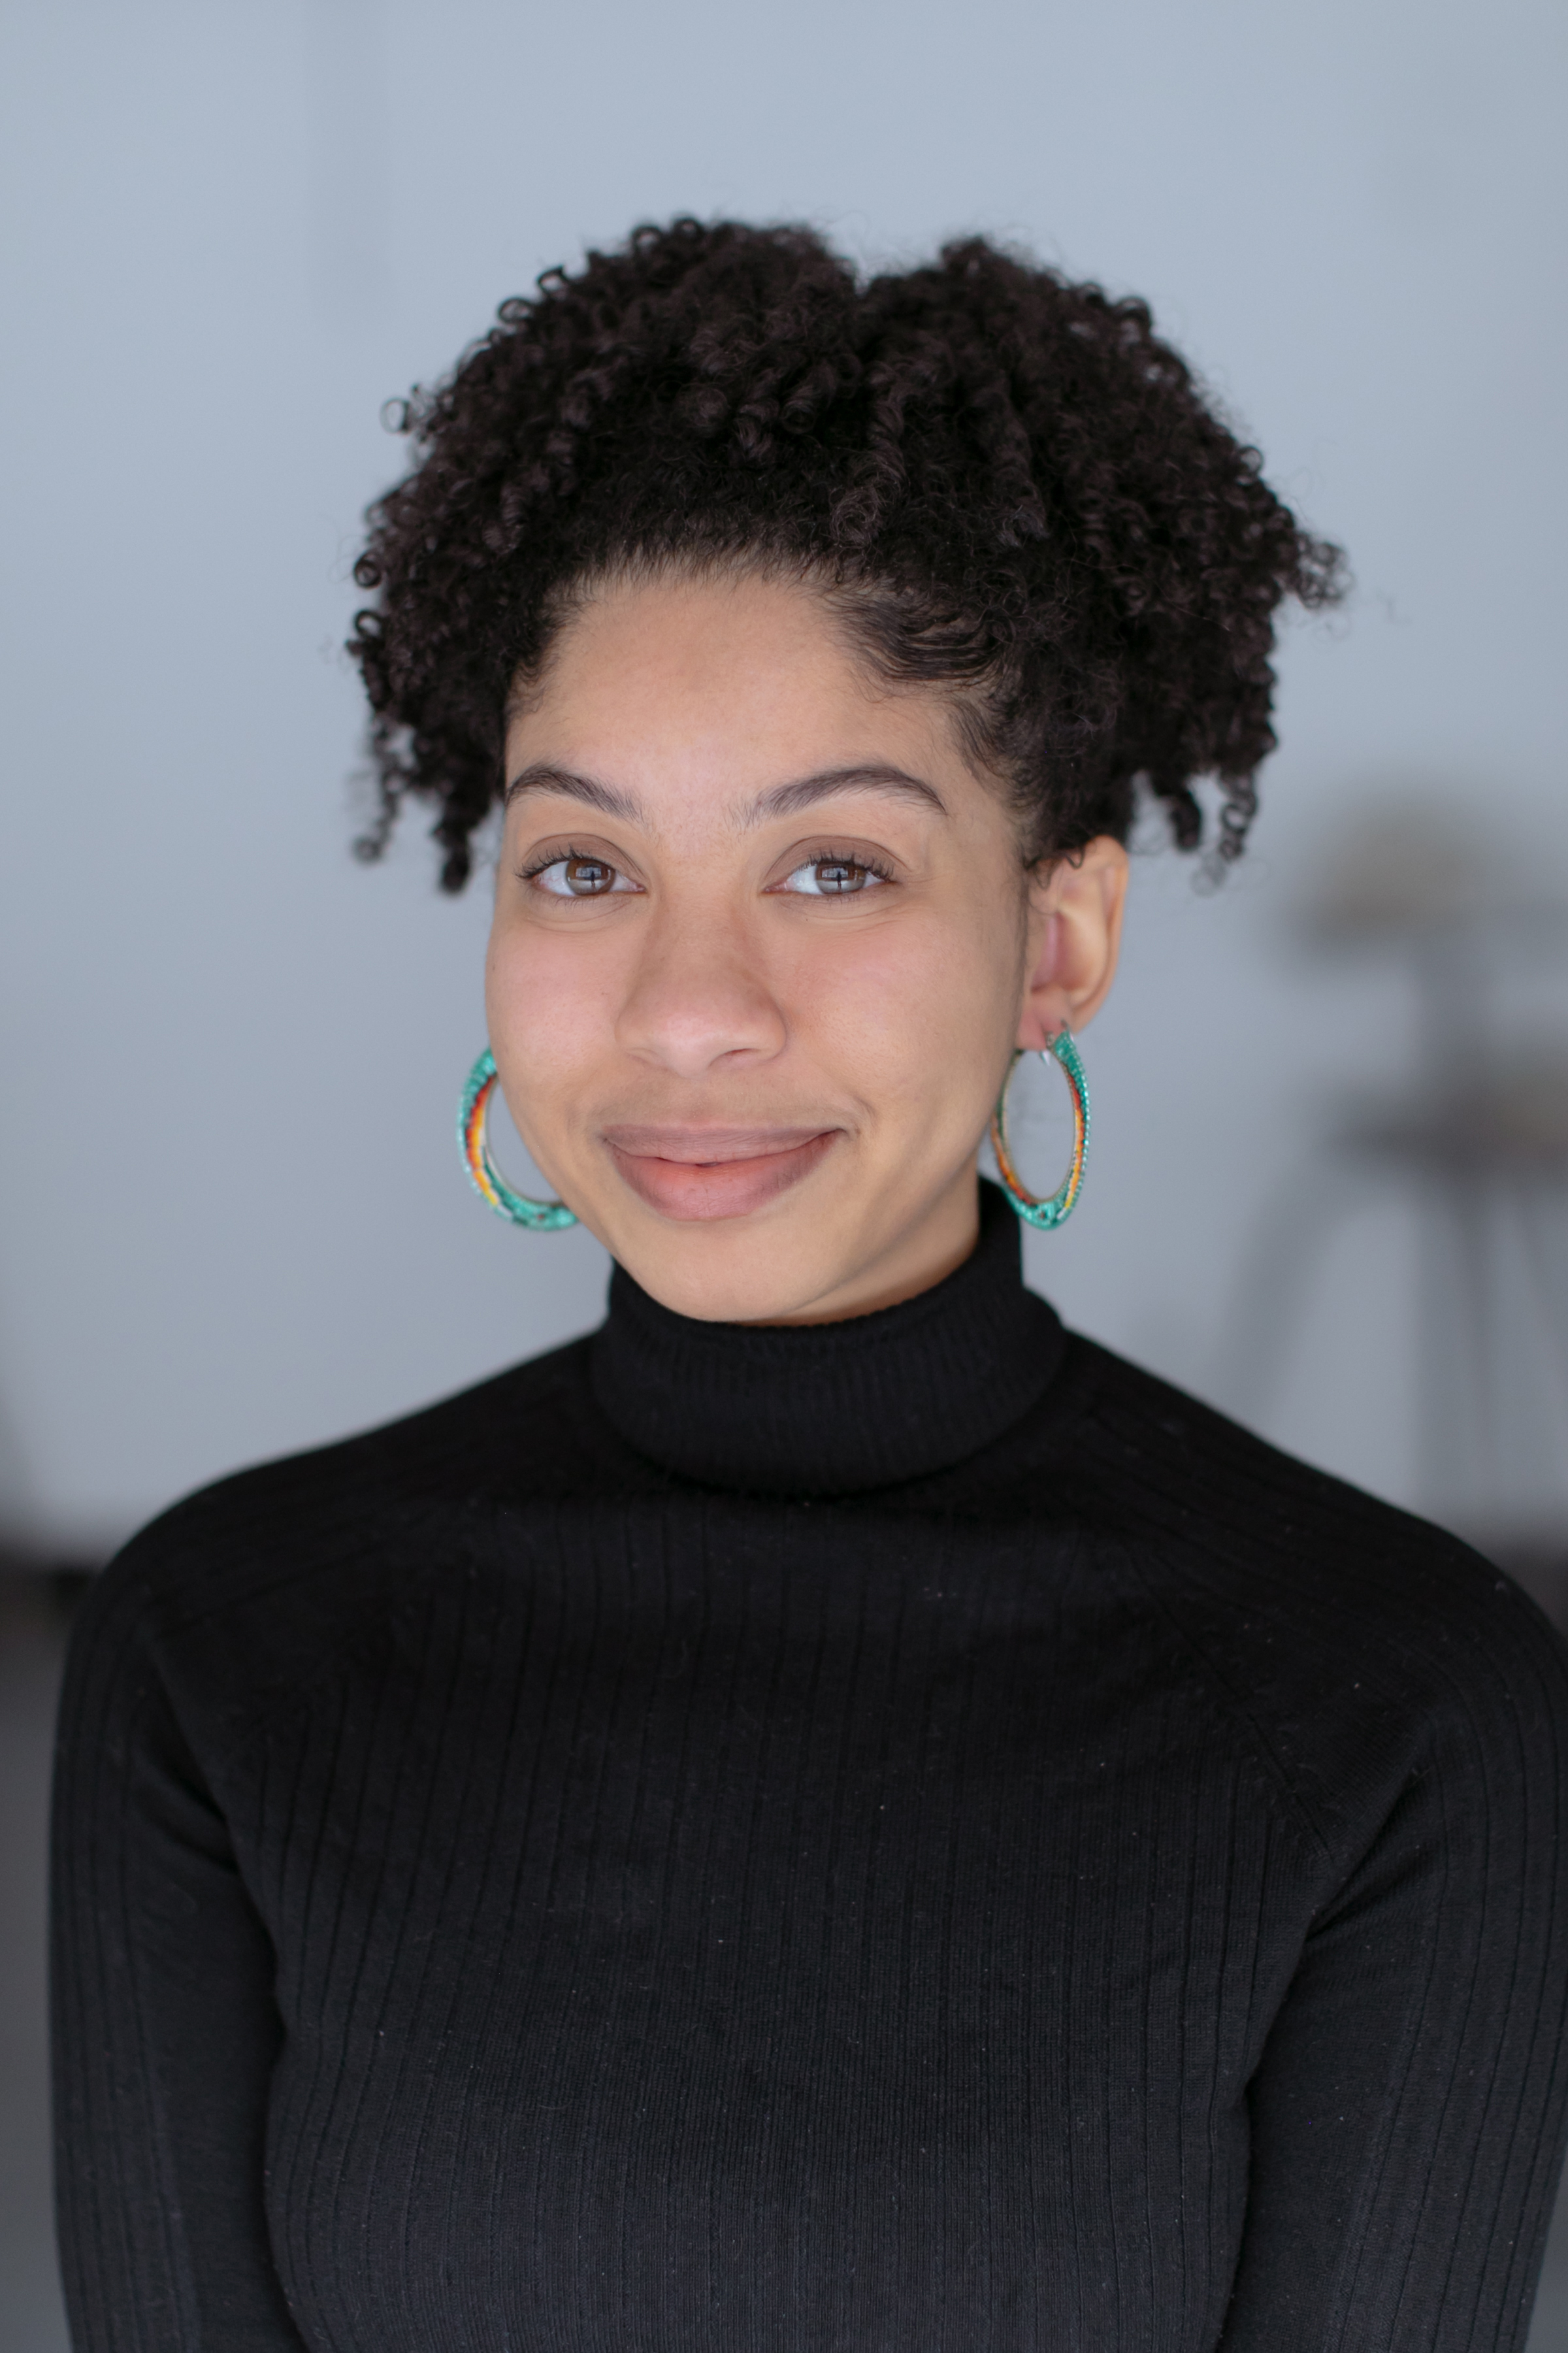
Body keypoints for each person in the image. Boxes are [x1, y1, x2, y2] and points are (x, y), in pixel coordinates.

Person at [52, 219, 1568, 2352]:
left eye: (833, 866)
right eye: (587, 866)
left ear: (1058, 943)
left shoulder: (1412, 1710)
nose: (687, 1010)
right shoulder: (210, 1655)